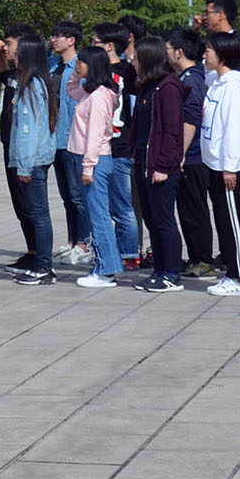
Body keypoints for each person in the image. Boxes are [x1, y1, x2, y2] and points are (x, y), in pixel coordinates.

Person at [199, 32, 240, 295]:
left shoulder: (233, 86)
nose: (205, 54)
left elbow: (235, 128)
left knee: (234, 221)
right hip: (214, 162)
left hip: (228, 166)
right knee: (223, 220)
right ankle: (232, 273)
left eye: (209, 50)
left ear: (222, 54)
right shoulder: (217, 82)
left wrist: (230, 166)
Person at [67, 46, 130, 288]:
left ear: (92, 65)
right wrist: (76, 73)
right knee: (96, 214)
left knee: (99, 215)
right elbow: (72, 89)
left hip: (94, 159)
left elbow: (95, 135)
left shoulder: (100, 96)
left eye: (81, 62)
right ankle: (104, 265)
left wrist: (88, 167)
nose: (77, 65)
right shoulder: (90, 91)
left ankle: (107, 269)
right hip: (86, 157)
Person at [4, 36, 58, 285]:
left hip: (33, 161)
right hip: (36, 159)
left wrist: (24, 165)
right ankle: (42, 264)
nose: (13, 56)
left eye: (17, 53)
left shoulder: (32, 86)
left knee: (38, 214)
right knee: (38, 214)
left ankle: (44, 266)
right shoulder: (35, 83)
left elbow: (29, 130)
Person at [137, 36, 189, 291]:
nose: (133, 61)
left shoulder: (168, 88)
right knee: (152, 219)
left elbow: (171, 131)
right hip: (143, 161)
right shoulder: (148, 86)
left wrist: (163, 166)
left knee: (163, 219)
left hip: (161, 165)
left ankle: (172, 272)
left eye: (137, 57)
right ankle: (159, 270)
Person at [171, 29, 216, 273]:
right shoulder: (188, 76)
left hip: (194, 155)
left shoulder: (191, 80)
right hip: (189, 154)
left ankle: (203, 259)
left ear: (179, 52)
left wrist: (181, 152)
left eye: (168, 49)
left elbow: (191, 118)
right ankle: (195, 257)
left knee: (194, 209)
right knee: (187, 210)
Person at [48, 22, 93, 266]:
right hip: (54, 138)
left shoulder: (81, 67)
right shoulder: (53, 65)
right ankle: (72, 240)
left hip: (73, 139)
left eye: (59, 36)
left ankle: (84, 243)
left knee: (78, 196)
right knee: (66, 196)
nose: (54, 39)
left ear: (72, 40)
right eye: (53, 35)